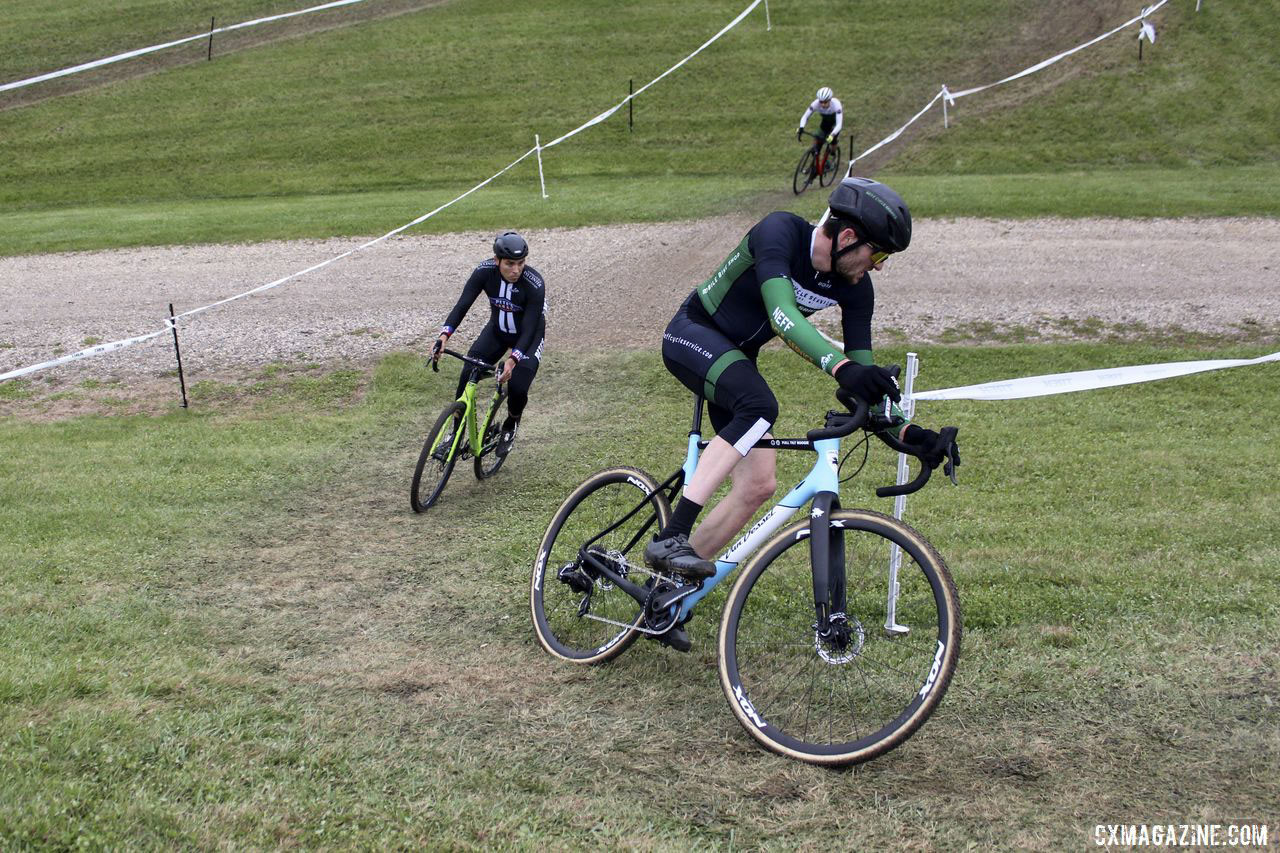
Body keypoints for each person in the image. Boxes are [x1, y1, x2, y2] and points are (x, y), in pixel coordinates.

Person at [645, 177, 960, 651]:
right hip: (693, 333)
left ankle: (664, 595)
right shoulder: (780, 234)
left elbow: (865, 379)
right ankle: (672, 535)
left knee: (757, 486)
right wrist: (842, 368)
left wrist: (910, 431)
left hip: (736, 359)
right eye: (878, 255)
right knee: (759, 407)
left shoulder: (856, 288)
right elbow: (781, 316)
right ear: (848, 237)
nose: (877, 267)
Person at [431, 230, 546, 457]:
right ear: (497, 261)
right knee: (468, 372)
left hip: (528, 338)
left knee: (518, 387)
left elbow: (531, 326)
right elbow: (463, 304)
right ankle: (454, 434)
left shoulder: (534, 284)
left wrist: (514, 359)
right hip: (497, 331)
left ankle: (511, 424)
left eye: (521, 263)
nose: (516, 270)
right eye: (509, 264)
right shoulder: (484, 272)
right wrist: (444, 336)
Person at [796, 85, 843, 165]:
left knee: (832, 141)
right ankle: (817, 160)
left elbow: (839, 125)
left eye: (825, 102)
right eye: (821, 102)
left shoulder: (836, 105)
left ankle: (833, 154)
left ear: (830, 100)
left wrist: (832, 135)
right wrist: (801, 127)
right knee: (817, 140)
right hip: (825, 122)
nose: (823, 104)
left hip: (835, 125)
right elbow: (805, 116)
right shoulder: (815, 104)